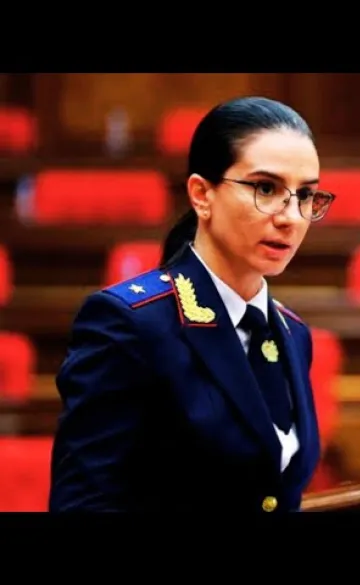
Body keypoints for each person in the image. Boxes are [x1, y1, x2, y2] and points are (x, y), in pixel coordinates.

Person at [48, 96, 336, 513]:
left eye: (305, 194)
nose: (291, 216)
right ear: (202, 194)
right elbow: (84, 503)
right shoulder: (130, 324)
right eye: (266, 189)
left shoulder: (294, 334)